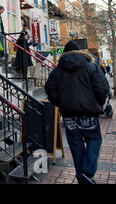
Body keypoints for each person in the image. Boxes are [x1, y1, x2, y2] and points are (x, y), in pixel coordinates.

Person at [44, 40, 110, 184]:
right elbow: (102, 88)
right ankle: (87, 170)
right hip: (89, 113)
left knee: (76, 145)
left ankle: (82, 176)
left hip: (70, 114)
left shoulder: (57, 70)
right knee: (94, 139)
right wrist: (97, 103)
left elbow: (50, 89)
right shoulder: (91, 67)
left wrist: (61, 103)